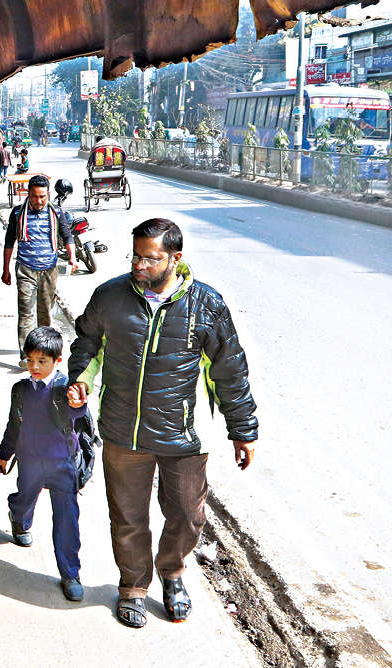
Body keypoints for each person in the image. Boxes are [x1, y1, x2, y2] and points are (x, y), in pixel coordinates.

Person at [67, 218, 258, 630]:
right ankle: (133, 586)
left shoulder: (206, 305)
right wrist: (80, 379)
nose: (140, 265)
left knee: (188, 515)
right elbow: (87, 342)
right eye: (136, 256)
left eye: (150, 259)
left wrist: (242, 430)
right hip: (124, 429)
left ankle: (172, 572)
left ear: (175, 258)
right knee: (128, 517)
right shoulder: (110, 296)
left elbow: (229, 370)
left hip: (183, 435)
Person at [0, 326, 87, 602]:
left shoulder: (65, 388)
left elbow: (78, 412)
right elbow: (14, 424)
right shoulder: (20, 390)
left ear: (57, 360)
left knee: (67, 518)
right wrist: (5, 454)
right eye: (30, 360)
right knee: (24, 498)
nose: (34, 367)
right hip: (29, 461)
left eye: (42, 361)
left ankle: (70, 573)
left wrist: (77, 404)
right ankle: (19, 520)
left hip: (62, 464)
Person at [1, 175, 74, 358]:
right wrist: (5, 269)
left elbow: (67, 236)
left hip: (49, 270)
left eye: (42, 196)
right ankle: (26, 355)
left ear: (48, 194)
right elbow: (9, 241)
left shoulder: (56, 212)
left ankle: (43, 352)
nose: (38, 201)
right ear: (28, 194)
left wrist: (72, 257)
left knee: (45, 314)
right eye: (34, 196)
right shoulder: (17, 213)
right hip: (25, 269)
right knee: (26, 313)